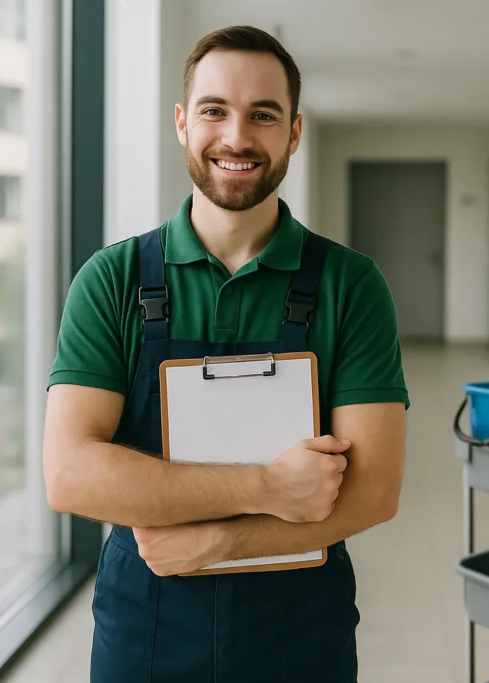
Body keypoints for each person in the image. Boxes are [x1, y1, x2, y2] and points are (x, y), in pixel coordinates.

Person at [42, 24, 410, 683]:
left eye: (262, 115)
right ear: (183, 123)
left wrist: (219, 539)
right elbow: (71, 472)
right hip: (145, 631)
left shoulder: (350, 284)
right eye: (215, 111)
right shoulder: (114, 279)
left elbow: (375, 490)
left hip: (301, 634)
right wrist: (267, 487)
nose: (236, 137)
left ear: (293, 133)